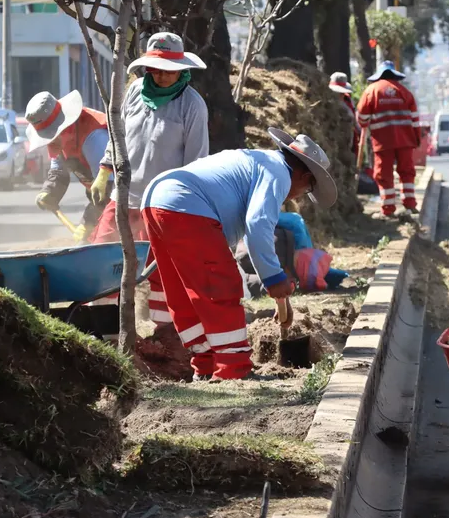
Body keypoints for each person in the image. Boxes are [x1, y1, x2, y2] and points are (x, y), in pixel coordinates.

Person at [140, 129, 337, 381]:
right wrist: (273, 278)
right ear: (305, 176)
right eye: (305, 190)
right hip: (186, 204)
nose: (296, 196)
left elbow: (233, 232)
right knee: (220, 286)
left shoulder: (258, 161)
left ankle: (206, 364)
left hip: (157, 198)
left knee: (183, 289)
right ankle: (233, 369)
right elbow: (258, 225)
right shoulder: (278, 173)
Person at [88, 32, 210, 324]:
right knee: (101, 262)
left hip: (161, 206)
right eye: (156, 68)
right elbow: (118, 132)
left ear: (181, 68)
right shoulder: (134, 91)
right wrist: (105, 171)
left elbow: (197, 164)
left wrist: (186, 209)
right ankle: (102, 329)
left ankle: (163, 334)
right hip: (123, 196)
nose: (162, 76)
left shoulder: (192, 106)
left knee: (160, 273)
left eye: (168, 70)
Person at [25, 90, 110, 243]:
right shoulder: (59, 140)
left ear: (64, 126)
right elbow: (58, 170)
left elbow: (108, 188)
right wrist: (49, 192)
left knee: (105, 242)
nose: (49, 142)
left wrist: (87, 223)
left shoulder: (95, 137)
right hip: (100, 197)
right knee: (89, 242)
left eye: (51, 135)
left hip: (122, 197)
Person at [356, 60, 421, 216]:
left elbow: (362, 118)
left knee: (384, 174)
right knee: (407, 172)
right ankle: (410, 205)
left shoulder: (371, 91)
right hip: (405, 140)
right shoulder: (405, 93)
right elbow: (415, 120)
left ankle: (388, 209)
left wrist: (369, 122)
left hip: (383, 141)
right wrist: (416, 140)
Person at [329, 71, 361, 159]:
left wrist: (359, 131)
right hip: (333, 140)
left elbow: (354, 119)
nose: (340, 95)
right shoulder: (327, 103)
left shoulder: (348, 101)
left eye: (341, 93)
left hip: (348, 141)